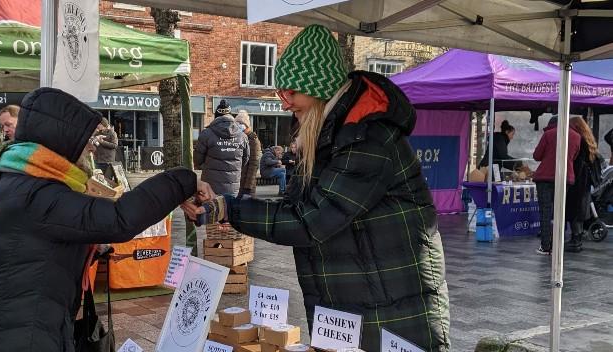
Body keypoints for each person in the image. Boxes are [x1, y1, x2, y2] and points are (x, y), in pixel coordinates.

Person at [183, 24, 449, 351]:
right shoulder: (330, 134)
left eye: (290, 92)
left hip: (391, 308)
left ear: (318, 86)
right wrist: (223, 205)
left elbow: (311, 221)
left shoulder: (367, 137)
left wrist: (229, 208)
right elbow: (295, 206)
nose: (284, 104)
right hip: (352, 302)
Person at [0, 87, 211, 351]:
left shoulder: (17, 178)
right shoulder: (38, 194)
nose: (90, 150)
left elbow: (29, 246)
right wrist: (185, 180)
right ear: (61, 138)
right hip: (18, 335)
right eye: (85, 140)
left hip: (7, 326)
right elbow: (119, 219)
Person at [533, 115, 581, 255]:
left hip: (545, 178)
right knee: (560, 212)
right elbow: (574, 156)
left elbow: (537, 156)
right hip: (565, 178)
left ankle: (545, 246)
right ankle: (559, 244)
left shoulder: (549, 134)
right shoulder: (576, 136)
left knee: (545, 212)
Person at [194, 100, 249, 195]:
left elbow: (197, 160)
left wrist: (208, 166)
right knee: (229, 208)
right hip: (233, 185)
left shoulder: (207, 134)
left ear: (216, 116)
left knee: (210, 208)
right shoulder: (242, 136)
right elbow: (245, 159)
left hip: (210, 185)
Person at [565, 117, 599, 252]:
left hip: (577, 180)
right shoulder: (589, 140)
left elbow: (576, 162)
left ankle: (575, 240)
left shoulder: (578, 139)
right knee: (579, 211)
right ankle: (576, 239)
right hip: (585, 182)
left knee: (574, 210)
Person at [236, 110, 261, 197]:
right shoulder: (238, 137)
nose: (238, 126)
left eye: (240, 123)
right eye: (237, 123)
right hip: (238, 181)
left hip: (247, 184)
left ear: (246, 125)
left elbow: (254, 164)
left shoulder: (253, 140)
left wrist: (248, 186)